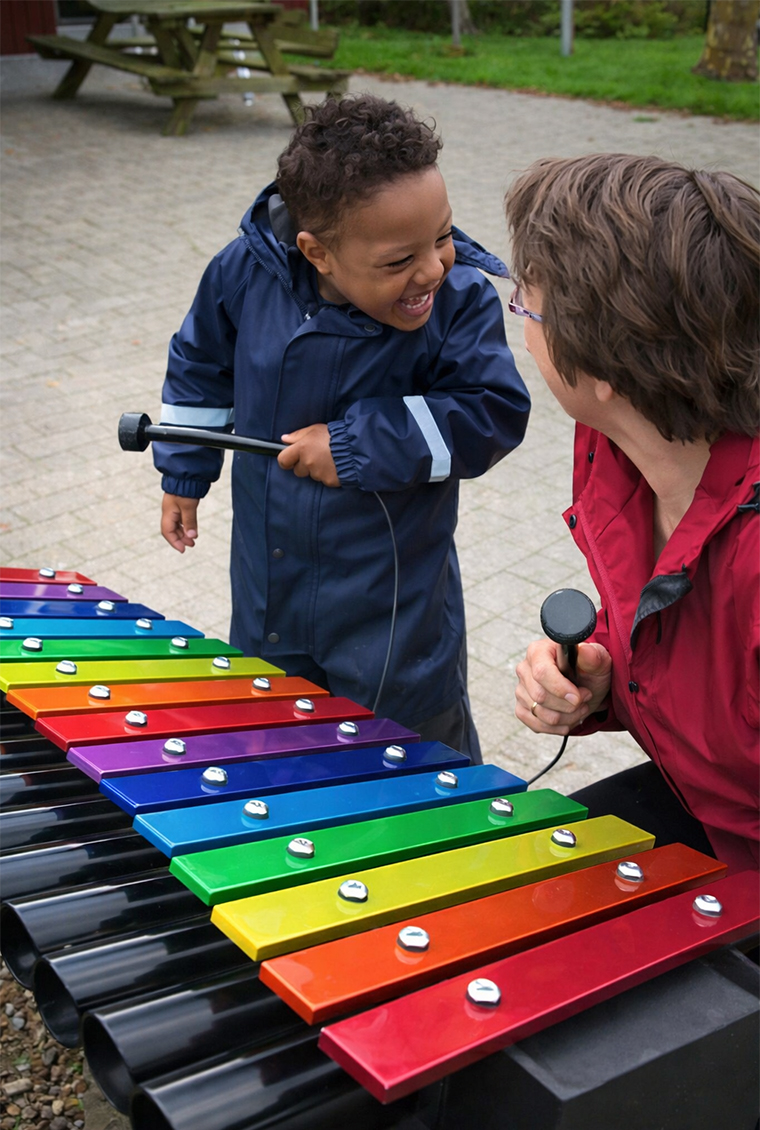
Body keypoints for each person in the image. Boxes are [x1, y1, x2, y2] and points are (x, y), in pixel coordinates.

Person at [153, 93, 530, 761]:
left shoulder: (458, 299)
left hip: (395, 609)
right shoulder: (242, 274)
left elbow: (492, 412)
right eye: (398, 260)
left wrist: (357, 443)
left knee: (408, 760)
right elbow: (200, 364)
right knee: (277, 744)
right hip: (269, 584)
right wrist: (185, 471)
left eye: (441, 236)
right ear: (316, 251)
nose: (433, 268)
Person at [506, 153, 759, 871]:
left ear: (605, 371)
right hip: (708, 815)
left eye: (528, 306)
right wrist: (607, 674)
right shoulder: (615, 455)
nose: (521, 327)